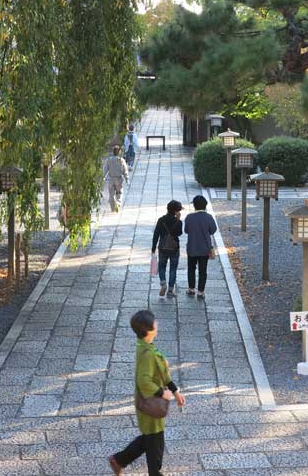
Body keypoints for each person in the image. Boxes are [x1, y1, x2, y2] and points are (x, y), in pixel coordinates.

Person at [109, 310, 184, 476]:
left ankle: (119, 460)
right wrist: (161, 393)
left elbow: (161, 372)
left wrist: (174, 390)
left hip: (150, 404)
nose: (157, 324)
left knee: (150, 439)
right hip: (151, 404)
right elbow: (144, 381)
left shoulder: (145, 346)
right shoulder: (147, 353)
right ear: (148, 330)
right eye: (155, 322)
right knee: (155, 442)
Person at [183, 195, 218, 300]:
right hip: (204, 249)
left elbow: (186, 230)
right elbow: (213, 230)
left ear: (194, 206)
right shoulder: (209, 217)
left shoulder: (189, 217)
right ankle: (201, 292)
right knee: (203, 271)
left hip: (192, 248)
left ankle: (191, 289)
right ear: (205, 205)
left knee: (191, 269)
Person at [151, 200, 183, 298]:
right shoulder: (178, 221)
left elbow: (156, 234)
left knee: (162, 267)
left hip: (163, 247)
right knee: (173, 269)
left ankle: (163, 284)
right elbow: (179, 233)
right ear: (176, 211)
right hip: (174, 248)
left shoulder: (161, 220)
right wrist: (178, 220)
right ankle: (170, 291)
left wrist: (153, 247)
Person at [103, 145, 129, 213]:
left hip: (111, 179)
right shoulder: (121, 160)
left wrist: (103, 177)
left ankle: (113, 208)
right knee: (119, 193)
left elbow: (105, 169)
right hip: (119, 179)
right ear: (119, 152)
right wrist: (127, 179)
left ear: (113, 152)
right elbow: (125, 170)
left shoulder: (109, 160)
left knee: (111, 194)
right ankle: (118, 203)